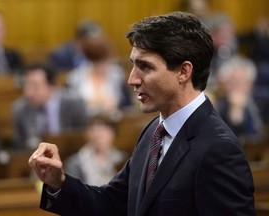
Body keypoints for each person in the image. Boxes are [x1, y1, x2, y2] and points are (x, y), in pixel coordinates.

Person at [29, 12, 256, 216]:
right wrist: (58, 182)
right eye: (133, 65)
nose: (132, 79)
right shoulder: (153, 132)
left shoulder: (219, 149)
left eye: (145, 67)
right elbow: (111, 203)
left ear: (184, 72)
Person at [12, 63, 87, 149]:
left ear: (51, 86)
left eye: (35, 86)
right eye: (27, 85)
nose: (29, 93)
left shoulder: (74, 104)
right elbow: (21, 146)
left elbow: (82, 138)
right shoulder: (21, 109)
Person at [66, 29, 133, 117]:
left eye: (107, 60)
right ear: (91, 60)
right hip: (85, 122)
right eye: (99, 62)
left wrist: (115, 104)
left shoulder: (116, 75)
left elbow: (128, 105)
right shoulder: (76, 77)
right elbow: (71, 107)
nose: (106, 65)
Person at [64, 114, 126, 186]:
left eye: (103, 130)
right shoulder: (75, 163)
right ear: (86, 134)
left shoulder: (122, 158)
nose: (98, 135)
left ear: (113, 133)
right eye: (93, 130)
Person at [216, 56, 264, 143]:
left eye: (242, 82)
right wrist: (234, 110)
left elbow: (256, 135)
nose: (237, 87)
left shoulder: (258, 104)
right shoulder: (219, 105)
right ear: (226, 84)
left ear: (250, 85)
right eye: (233, 82)